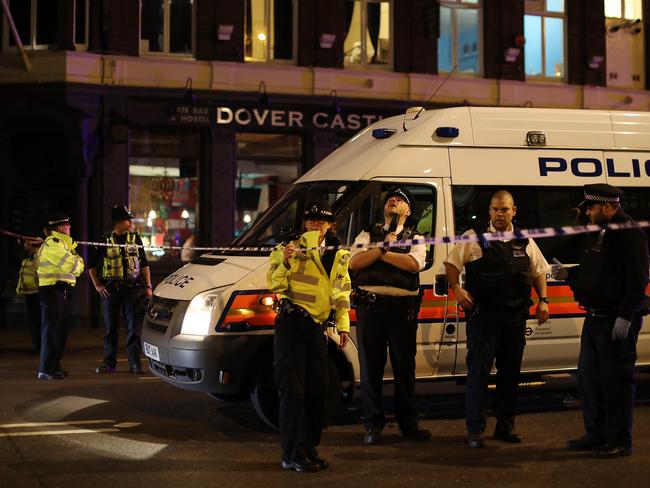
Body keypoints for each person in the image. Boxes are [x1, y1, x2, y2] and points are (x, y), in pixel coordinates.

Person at [444, 190, 549, 448]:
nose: (499, 214)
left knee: (510, 375)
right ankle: (475, 430)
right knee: (478, 374)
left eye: (504, 209)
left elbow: (539, 271)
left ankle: (505, 426)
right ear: (489, 211)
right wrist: (457, 289)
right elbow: (451, 264)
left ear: (514, 211)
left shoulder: (524, 239)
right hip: (484, 317)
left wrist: (544, 300)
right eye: (495, 209)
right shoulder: (474, 237)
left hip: (514, 317)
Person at [559, 184, 649, 458]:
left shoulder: (628, 233)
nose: (586, 212)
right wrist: (570, 276)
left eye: (591, 207)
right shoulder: (600, 230)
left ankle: (619, 440)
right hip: (595, 317)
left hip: (614, 320)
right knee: (589, 381)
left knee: (616, 384)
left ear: (608, 207)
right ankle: (596, 435)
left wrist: (626, 315)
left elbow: (638, 278)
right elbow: (594, 273)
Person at [267, 201, 351, 472]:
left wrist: (343, 324)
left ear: (330, 224)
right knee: (293, 390)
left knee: (319, 389)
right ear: (304, 223)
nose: (316, 224)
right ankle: (291, 453)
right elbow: (274, 283)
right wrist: (287, 261)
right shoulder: (287, 247)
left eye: (321, 220)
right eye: (311, 219)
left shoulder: (339, 253)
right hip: (291, 323)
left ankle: (308, 447)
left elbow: (341, 291)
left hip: (316, 326)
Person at [349, 187, 431, 445]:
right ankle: (373, 424)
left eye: (401, 200)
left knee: (404, 368)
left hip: (401, 310)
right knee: (370, 368)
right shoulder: (367, 233)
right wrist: (385, 248)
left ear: (408, 211)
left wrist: (380, 253)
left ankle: (408, 424)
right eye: (390, 199)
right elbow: (355, 263)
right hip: (370, 309)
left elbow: (413, 265)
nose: (393, 201)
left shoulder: (416, 237)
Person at [88, 205, 153, 374]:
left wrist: (148, 286)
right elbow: (91, 265)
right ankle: (109, 364)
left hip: (132, 290)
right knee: (111, 329)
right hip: (111, 290)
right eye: (127, 219)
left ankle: (135, 364)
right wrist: (97, 285)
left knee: (133, 329)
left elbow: (144, 264)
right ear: (118, 222)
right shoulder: (105, 239)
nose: (130, 222)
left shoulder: (135, 239)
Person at [36, 213, 85, 380]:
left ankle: (54, 366)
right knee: (51, 331)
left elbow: (77, 263)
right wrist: (76, 261)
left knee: (59, 332)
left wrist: (75, 259)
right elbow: (74, 266)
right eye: (67, 225)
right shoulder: (54, 244)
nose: (70, 228)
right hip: (51, 291)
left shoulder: (63, 245)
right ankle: (46, 369)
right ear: (59, 228)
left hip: (59, 291)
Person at [16, 235, 44, 354]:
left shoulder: (38, 257)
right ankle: (36, 345)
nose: (25, 246)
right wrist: (19, 289)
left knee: (38, 322)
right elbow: (22, 276)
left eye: (27, 244)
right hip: (29, 294)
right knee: (33, 322)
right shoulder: (27, 258)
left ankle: (40, 347)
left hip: (37, 294)